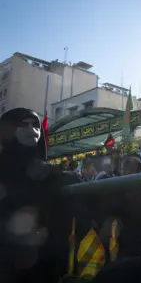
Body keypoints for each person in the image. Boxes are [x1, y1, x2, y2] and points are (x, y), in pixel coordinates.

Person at [0, 108, 80, 282]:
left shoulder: (49, 172)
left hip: (42, 261)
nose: (32, 130)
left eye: (35, 125)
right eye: (23, 124)